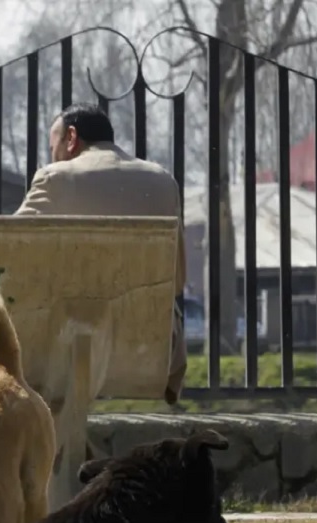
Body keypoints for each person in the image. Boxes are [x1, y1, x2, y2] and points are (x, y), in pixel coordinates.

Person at [15, 102, 188, 405]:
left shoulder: (55, 179)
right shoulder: (163, 182)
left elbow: (9, 254)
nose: (51, 155)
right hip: (149, 349)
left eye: (52, 145)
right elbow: (177, 280)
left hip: (70, 347)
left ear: (71, 138)